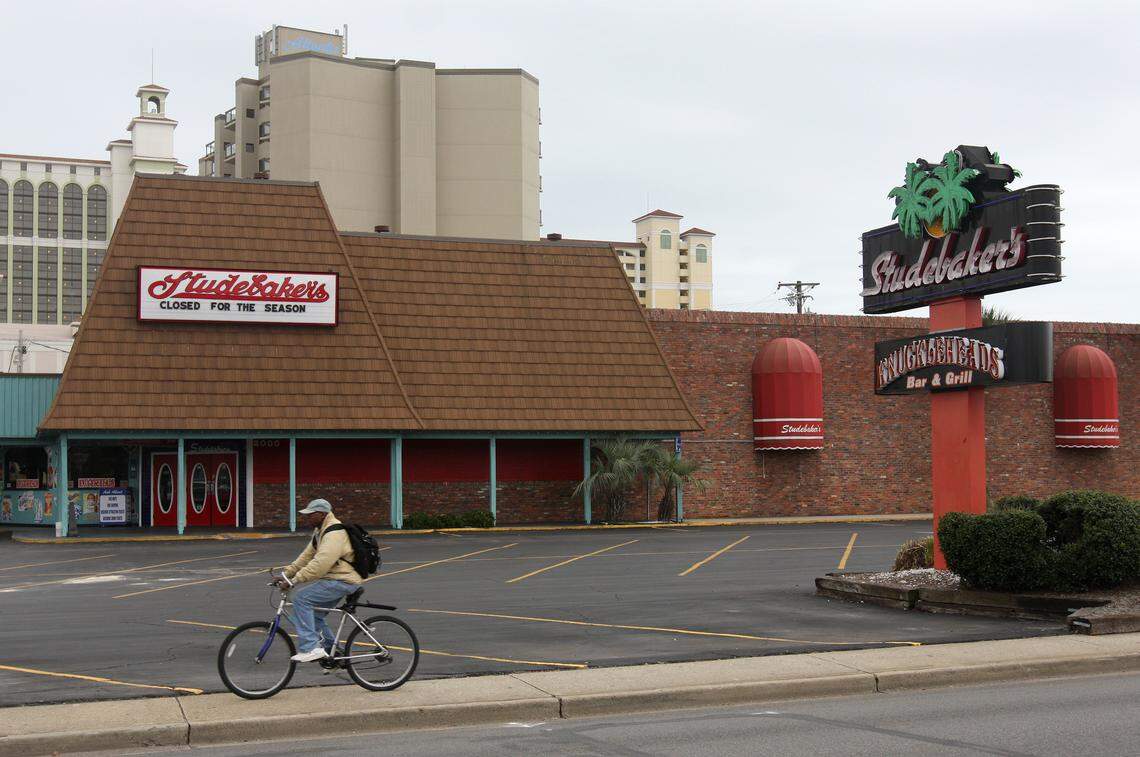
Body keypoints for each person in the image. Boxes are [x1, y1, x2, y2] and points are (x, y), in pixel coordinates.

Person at [275, 499, 362, 662]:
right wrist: (286, 574)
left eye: (310, 515)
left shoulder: (334, 532)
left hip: (343, 580)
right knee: (314, 617)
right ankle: (333, 654)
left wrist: (294, 581)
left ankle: (310, 647)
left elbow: (320, 564)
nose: (307, 518)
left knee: (301, 599)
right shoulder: (320, 531)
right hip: (335, 580)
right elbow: (306, 557)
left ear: (322, 514)